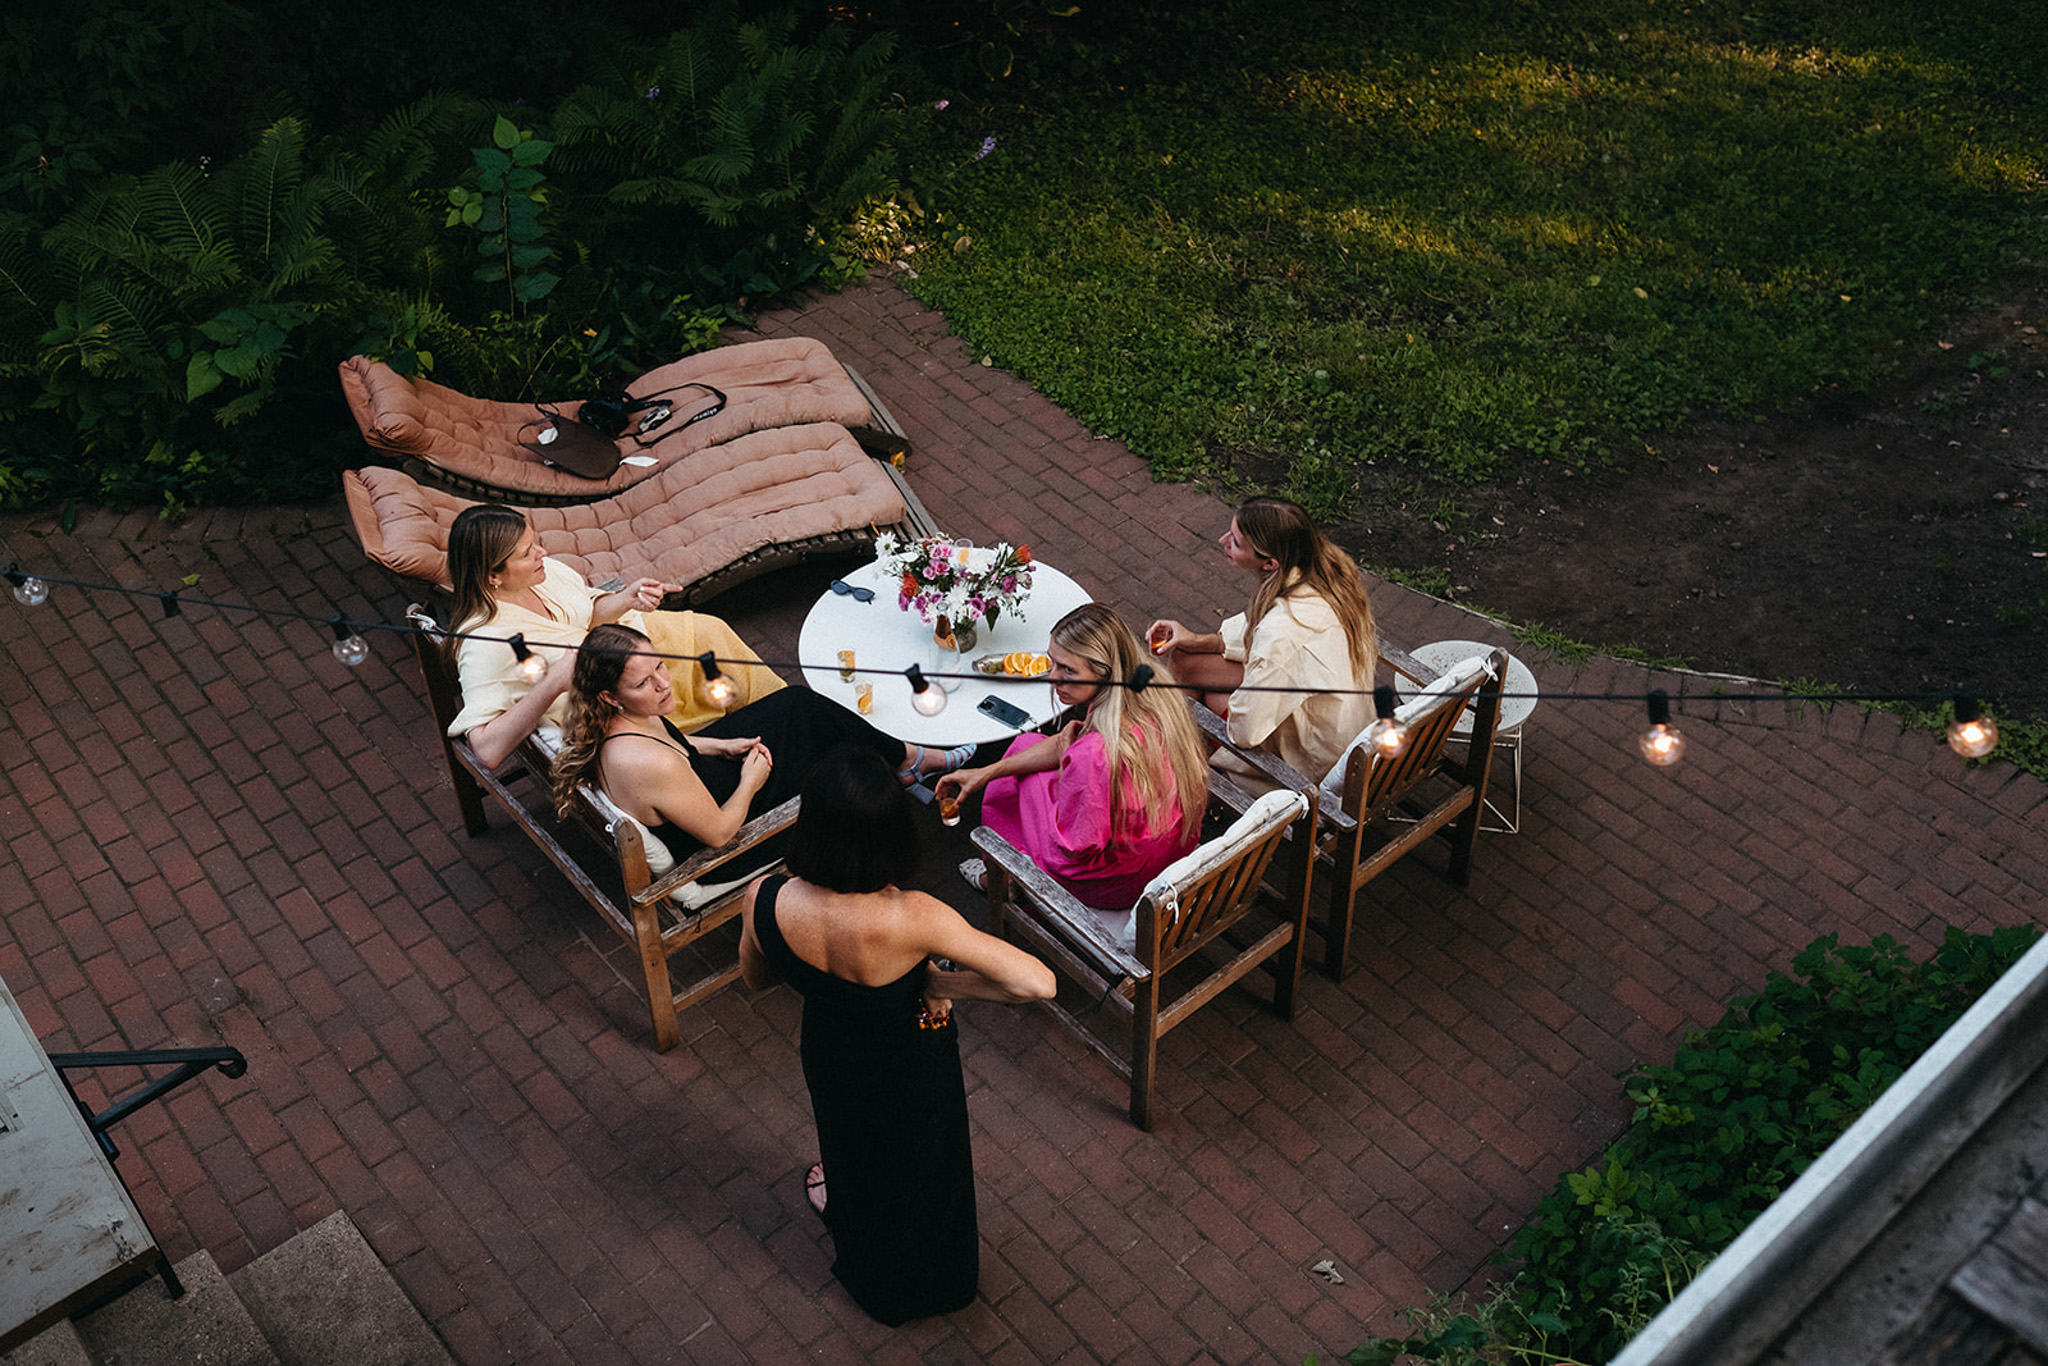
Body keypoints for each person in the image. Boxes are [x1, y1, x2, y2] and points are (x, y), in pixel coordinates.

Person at [739, 747, 1055, 1326]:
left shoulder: (763, 898)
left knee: (851, 1146)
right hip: (911, 1055)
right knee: (924, 1163)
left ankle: (854, 1230)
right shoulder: (912, 916)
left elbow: (757, 980)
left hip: (832, 1049)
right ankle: (940, 1277)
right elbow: (1036, 983)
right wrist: (939, 982)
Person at [550, 625, 971, 865]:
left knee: (795, 703)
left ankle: (907, 759)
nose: (664, 684)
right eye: (644, 683)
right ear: (609, 695)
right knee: (836, 757)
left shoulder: (613, 718)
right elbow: (717, 834)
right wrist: (750, 781)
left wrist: (718, 746)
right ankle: (911, 762)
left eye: (659, 665)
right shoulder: (647, 763)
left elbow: (673, 743)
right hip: (727, 839)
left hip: (699, 784)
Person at [442, 504, 782, 769]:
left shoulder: (544, 575)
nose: (542, 553)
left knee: (710, 632)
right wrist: (552, 684)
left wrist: (626, 599)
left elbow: (585, 614)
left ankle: (776, 711)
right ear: (492, 576)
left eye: (535, 543)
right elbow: (486, 750)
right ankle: (771, 733)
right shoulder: (485, 644)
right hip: (620, 692)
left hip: (628, 642)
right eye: (526, 552)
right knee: (705, 676)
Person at [934, 604, 1209, 908]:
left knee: (1016, 779)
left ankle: (1003, 876)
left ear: (1103, 671)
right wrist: (984, 772)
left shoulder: (1095, 753)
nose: (1053, 678)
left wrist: (1067, 771)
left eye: (1068, 670)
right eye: (1052, 663)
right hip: (1163, 847)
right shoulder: (1149, 689)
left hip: (1114, 881)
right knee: (1026, 745)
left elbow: (1073, 847)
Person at [1147, 496, 1378, 790]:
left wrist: (1234, 695)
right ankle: (1170, 747)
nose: (1223, 540)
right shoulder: (1323, 572)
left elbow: (1246, 731)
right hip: (1338, 719)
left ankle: (1175, 768)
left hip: (1312, 758)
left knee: (1214, 699)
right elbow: (1260, 638)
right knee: (1184, 659)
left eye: (1237, 542)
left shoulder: (1282, 630)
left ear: (1270, 563)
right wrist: (1197, 640)